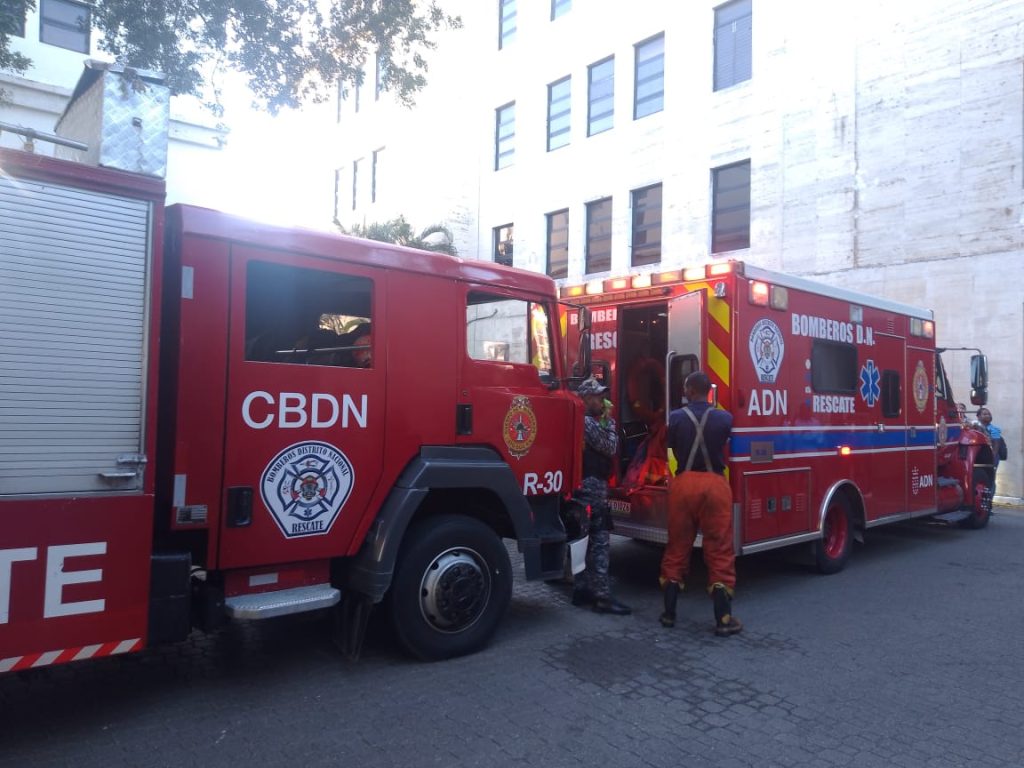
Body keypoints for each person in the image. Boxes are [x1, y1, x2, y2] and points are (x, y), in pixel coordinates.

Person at [659, 370, 742, 636]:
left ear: (691, 390)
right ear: (708, 391)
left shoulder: (675, 418)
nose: (684, 391)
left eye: (685, 388)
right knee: (719, 551)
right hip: (715, 485)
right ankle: (724, 620)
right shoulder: (725, 418)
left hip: (684, 485)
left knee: (677, 548)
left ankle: (669, 615)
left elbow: (670, 447)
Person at [573, 377, 631, 615]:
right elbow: (610, 447)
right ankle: (602, 597)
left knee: (582, 539)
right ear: (585, 399)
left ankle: (581, 589)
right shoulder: (588, 423)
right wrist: (610, 421)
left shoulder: (577, 420)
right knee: (599, 539)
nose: (602, 400)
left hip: (580, 486)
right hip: (592, 486)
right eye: (597, 396)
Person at [977, 407, 1005, 496]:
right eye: (984, 414)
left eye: (989, 414)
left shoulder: (994, 429)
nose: (987, 416)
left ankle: (989, 502)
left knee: (990, 479)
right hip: (979, 456)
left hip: (991, 456)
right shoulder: (975, 427)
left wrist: (992, 457)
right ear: (978, 416)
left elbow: (996, 444)